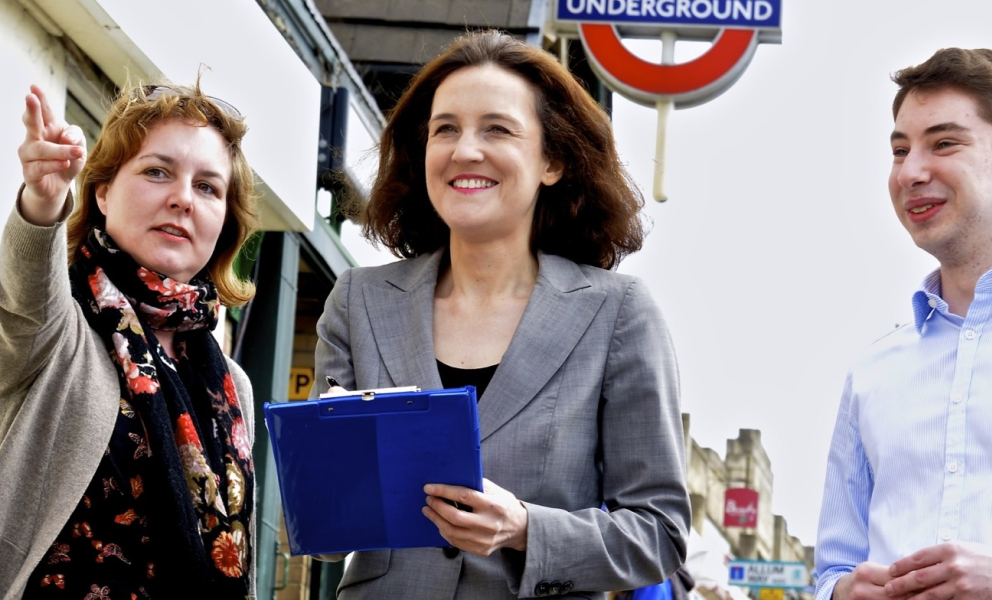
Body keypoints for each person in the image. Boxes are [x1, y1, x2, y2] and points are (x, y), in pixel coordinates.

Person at [313, 29, 690, 599]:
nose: (466, 150)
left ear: (553, 161)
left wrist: (525, 530)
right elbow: (323, 522)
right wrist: (326, 492)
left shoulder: (619, 314)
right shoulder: (358, 301)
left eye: (497, 129)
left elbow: (658, 534)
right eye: (445, 130)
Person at [0, 82, 260, 599]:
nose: (182, 198)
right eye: (157, 171)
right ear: (102, 191)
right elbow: (22, 297)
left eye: (208, 186)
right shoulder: (60, 328)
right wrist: (43, 199)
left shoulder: (233, 386)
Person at [814, 47, 992, 600]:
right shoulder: (871, 373)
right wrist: (844, 593)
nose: (911, 172)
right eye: (899, 150)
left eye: (944, 143)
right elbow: (829, 570)